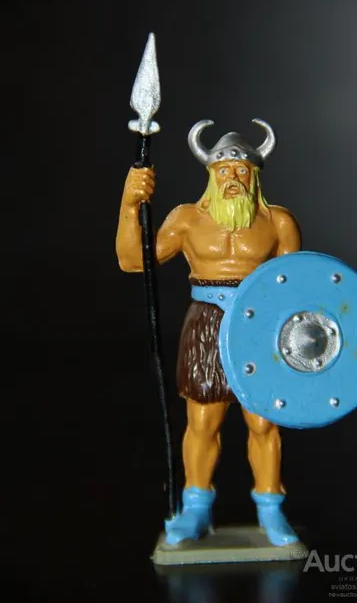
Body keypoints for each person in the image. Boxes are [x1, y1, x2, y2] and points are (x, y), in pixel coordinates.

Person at [116, 119, 302, 546]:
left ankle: (270, 510)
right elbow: (132, 260)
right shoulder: (187, 219)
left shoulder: (278, 222)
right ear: (210, 174)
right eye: (223, 170)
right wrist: (130, 203)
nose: (232, 177)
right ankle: (196, 507)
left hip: (260, 325)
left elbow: (294, 285)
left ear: (255, 175)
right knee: (202, 421)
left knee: (264, 422)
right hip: (206, 323)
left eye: (241, 170)